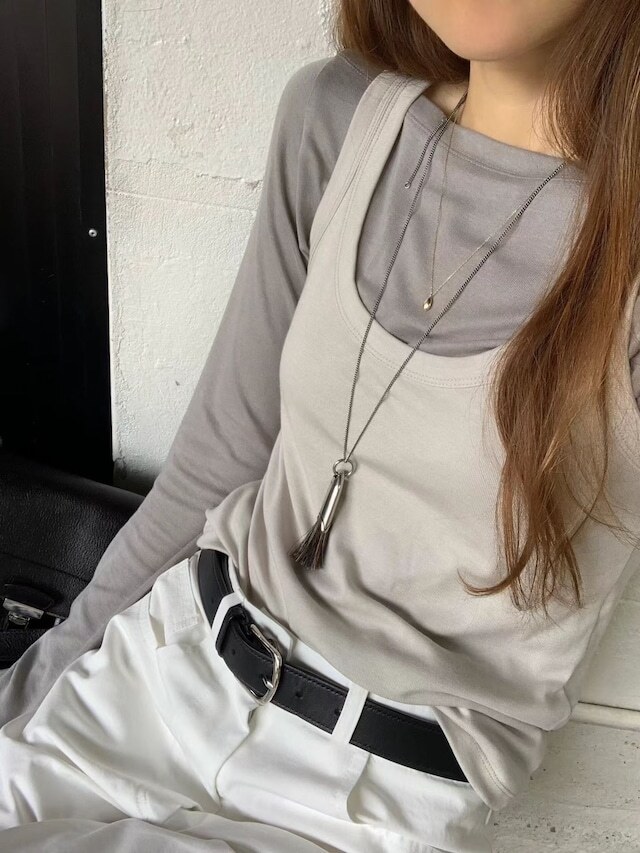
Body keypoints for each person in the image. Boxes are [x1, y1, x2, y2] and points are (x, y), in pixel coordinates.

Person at [2, 0, 640, 850]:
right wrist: (28, 688)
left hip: (361, 807)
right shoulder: (338, 116)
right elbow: (214, 466)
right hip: (156, 674)